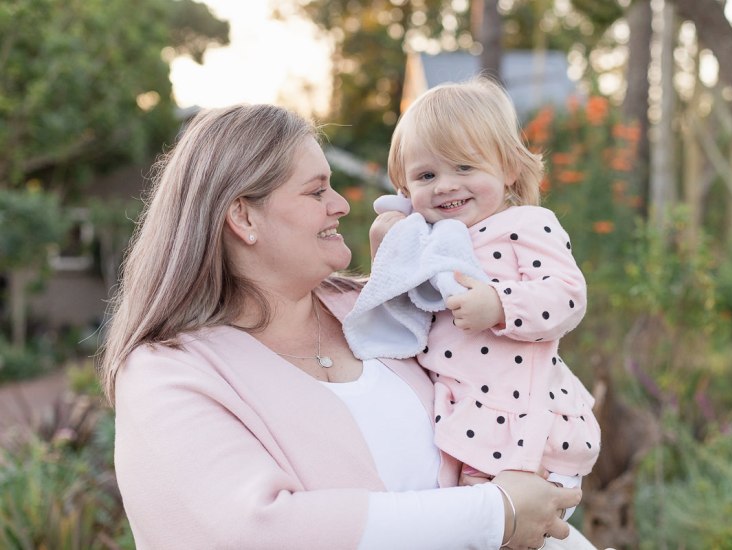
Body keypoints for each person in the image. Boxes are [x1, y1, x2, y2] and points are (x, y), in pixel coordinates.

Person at [99, 103, 586, 550]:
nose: (342, 204)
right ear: (243, 215)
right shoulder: (167, 371)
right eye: (316, 191)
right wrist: (494, 512)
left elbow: (514, 377)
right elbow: (254, 531)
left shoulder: (387, 308)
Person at [359, 77, 601, 523]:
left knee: (521, 525)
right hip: (456, 418)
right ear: (405, 187)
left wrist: (499, 303)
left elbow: (567, 294)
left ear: (508, 169)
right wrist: (389, 241)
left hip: (523, 424)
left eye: (465, 168)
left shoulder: (526, 225)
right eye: (427, 176)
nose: (446, 186)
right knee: (470, 527)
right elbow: (393, 304)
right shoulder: (428, 240)